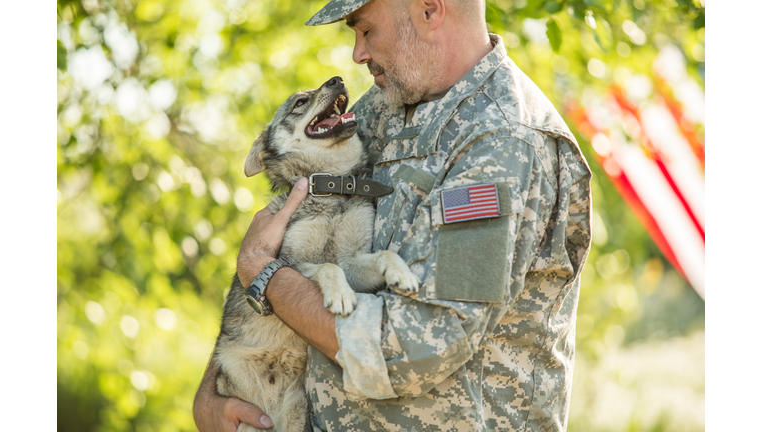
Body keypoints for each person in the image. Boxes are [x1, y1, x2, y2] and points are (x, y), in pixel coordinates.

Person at [194, 0, 592, 430]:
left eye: (365, 31)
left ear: (428, 10)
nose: (357, 54)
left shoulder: (502, 142)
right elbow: (270, 253)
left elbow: (414, 348)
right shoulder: (386, 107)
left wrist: (266, 276)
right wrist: (213, 393)